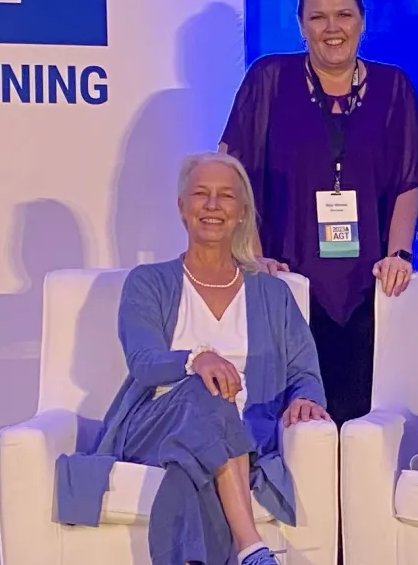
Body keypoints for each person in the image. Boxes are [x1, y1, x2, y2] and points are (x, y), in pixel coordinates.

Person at [55, 153, 332, 565]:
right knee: (208, 393)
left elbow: (304, 370)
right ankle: (252, 546)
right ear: (182, 207)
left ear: (241, 212)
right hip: (153, 426)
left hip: (239, 436)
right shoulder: (149, 282)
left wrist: (305, 397)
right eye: (200, 194)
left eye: (225, 196)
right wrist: (196, 359)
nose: (212, 206)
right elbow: (144, 362)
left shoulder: (272, 293)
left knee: (187, 472)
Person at [220, 0, 418, 424]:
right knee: (293, 417)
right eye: (318, 17)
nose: (332, 28)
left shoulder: (394, 88)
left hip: (368, 283)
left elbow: (409, 181)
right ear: (300, 24)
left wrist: (399, 255)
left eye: (344, 15)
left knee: (358, 417)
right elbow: (231, 174)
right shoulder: (268, 79)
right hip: (285, 277)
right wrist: (252, 256)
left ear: (362, 20)